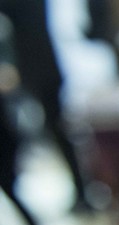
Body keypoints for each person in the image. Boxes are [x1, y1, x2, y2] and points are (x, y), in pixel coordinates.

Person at [0, 0, 90, 213]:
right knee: (59, 132)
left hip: (40, 72)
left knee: (60, 132)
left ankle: (82, 190)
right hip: (46, 70)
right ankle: (81, 189)